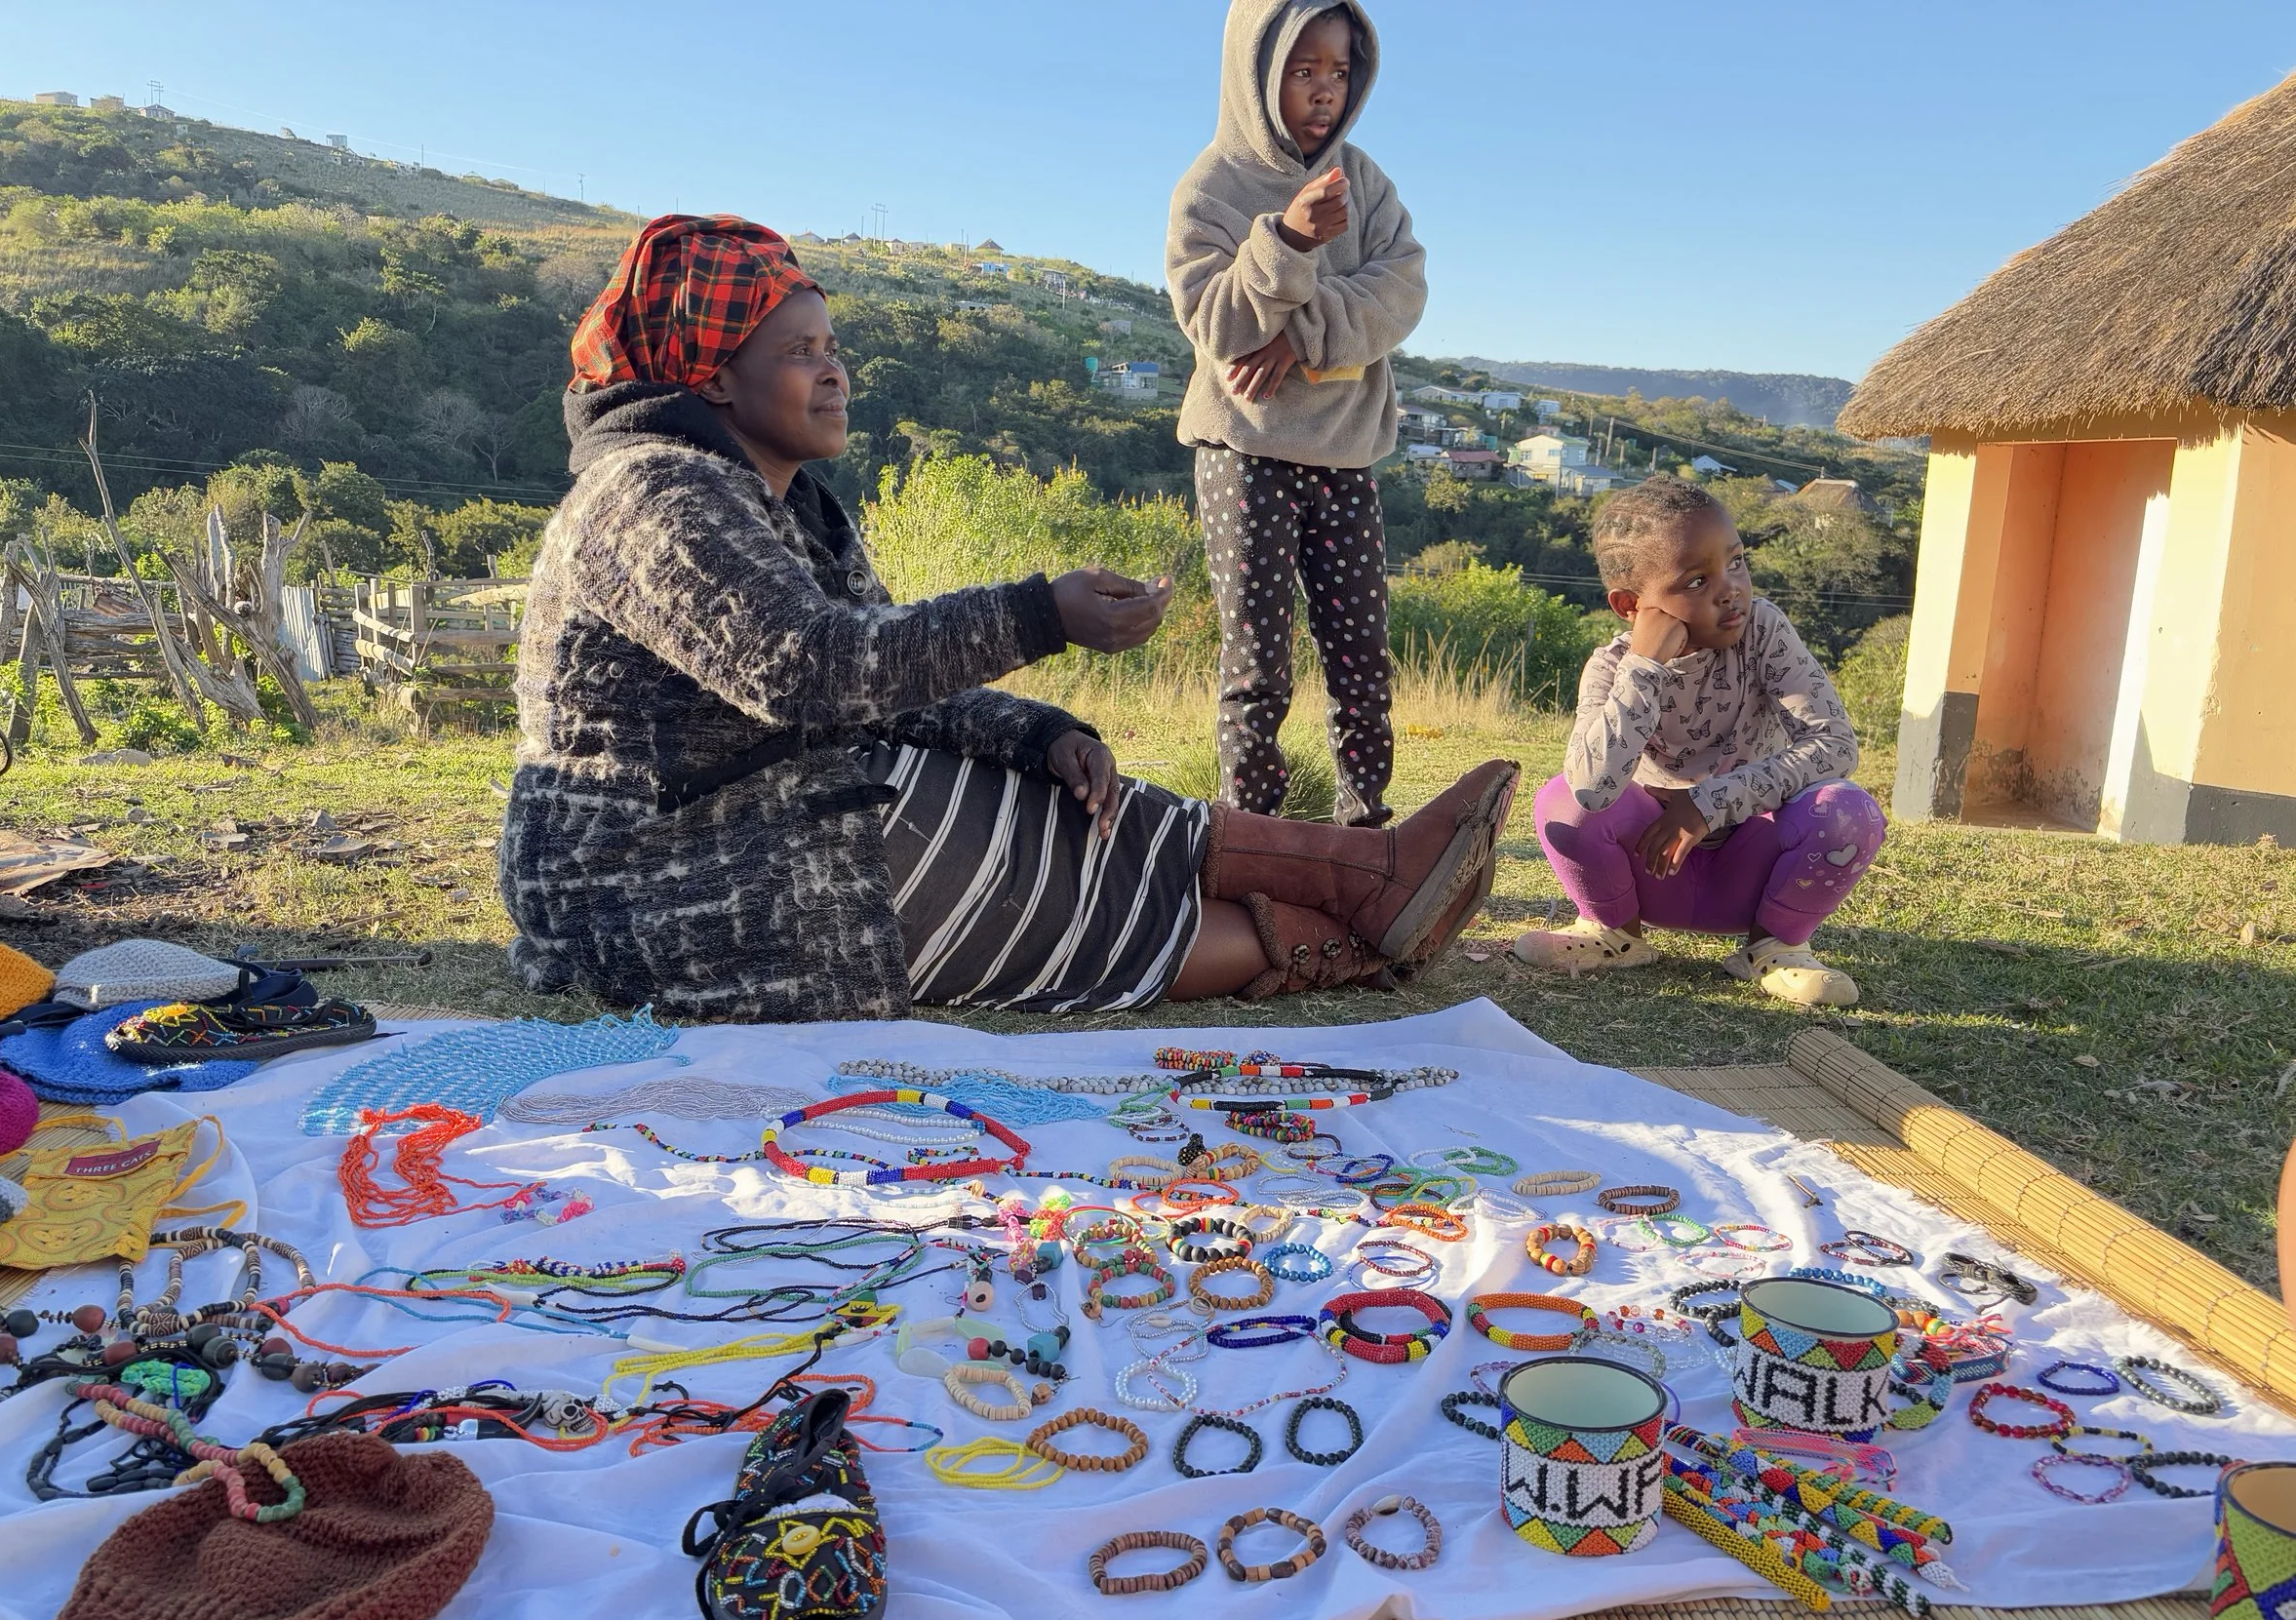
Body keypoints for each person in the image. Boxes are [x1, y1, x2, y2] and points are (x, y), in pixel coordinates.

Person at [500, 215, 1516, 1025]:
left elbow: (888, 683)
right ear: (714, 375)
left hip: (753, 814)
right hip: (636, 879)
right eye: (798, 351)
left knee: (1031, 790)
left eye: (833, 345)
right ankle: (1348, 925)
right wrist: (1040, 613)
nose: (834, 371)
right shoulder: (651, 495)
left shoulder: (783, 503)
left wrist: (1038, 733)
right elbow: (812, 672)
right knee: (905, 814)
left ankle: (1365, 876)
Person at [1167, 0, 1425, 828]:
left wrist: (1304, 341)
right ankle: (1253, 835)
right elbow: (1218, 326)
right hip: (1243, 451)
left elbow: (1402, 292)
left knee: (1361, 660)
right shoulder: (1211, 187)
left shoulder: (1366, 181)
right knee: (1258, 664)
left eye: (1338, 71)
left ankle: (1364, 828)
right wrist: (1284, 239)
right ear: (1256, 69)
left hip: (1347, 454)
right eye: (1302, 69)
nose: (1323, 91)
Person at [1515, 477, 1884, 1007]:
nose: (1729, 589)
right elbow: (1591, 792)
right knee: (1561, 803)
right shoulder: (1613, 669)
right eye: (1695, 581)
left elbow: (1835, 745)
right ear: (1631, 605)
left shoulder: (1764, 633)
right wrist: (1645, 667)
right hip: (1652, 870)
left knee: (1849, 810)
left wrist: (1708, 803)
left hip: (1753, 867)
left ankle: (1774, 947)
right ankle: (1614, 934)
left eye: (1735, 562)